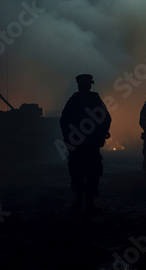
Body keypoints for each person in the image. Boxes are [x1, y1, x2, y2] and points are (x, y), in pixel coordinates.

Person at [60, 74, 111, 213]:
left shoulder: (75, 101)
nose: (84, 86)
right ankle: (84, 201)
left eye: (85, 84)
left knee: (87, 173)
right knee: (85, 173)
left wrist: (69, 138)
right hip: (85, 145)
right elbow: (65, 121)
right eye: (84, 84)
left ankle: (85, 201)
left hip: (83, 145)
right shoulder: (92, 101)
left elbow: (64, 121)